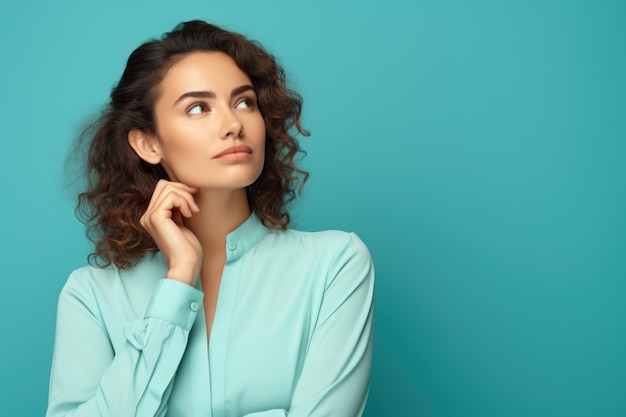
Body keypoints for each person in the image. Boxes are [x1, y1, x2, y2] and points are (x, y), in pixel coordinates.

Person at [46, 20, 374, 417]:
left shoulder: (335, 265)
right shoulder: (91, 296)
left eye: (244, 102)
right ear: (148, 143)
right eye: (198, 108)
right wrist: (179, 278)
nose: (233, 124)